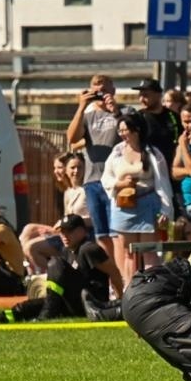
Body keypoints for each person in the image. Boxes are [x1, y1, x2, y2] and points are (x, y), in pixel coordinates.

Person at [102, 111, 173, 286]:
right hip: (124, 205)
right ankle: (130, 288)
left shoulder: (152, 153)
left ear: (137, 130)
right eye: (120, 130)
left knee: (148, 251)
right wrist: (119, 184)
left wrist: (165, 210)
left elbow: (162, 183)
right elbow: (106, 178)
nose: (122, 134)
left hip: (147, 204)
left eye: (126, 130)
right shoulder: (117, 152)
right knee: (129, 252)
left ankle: (152, 287)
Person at [66, 75, 119, 257]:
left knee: (117, 233)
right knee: (102, 233)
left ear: (113, 90)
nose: (100, 92)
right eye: (96, 89)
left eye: (104, 89)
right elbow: (72, 138)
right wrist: (81, 106)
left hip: (115, 181)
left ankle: (122, 273)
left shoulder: (123, 112)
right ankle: (111, 278)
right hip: (93, 181)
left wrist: (115, 110)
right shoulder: (88, 115)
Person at [133, 78, 182, 166]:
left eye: (145, 95)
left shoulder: (173, 117)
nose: (141, 99)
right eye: (140, 95)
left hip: (171, 168)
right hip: (149, 170)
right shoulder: (138, 118)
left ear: (158, 95)